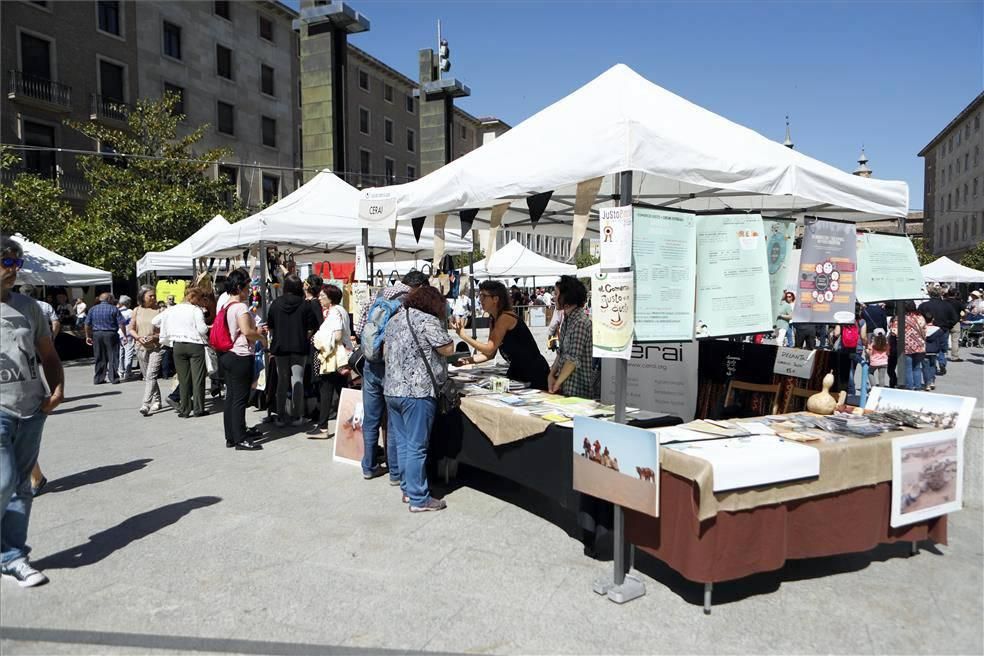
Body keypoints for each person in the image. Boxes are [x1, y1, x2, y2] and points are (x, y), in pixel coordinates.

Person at [1, 234, 64, 587]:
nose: (14, 270)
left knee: (22, 486)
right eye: (7, 262)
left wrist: (57, 388)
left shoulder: (30, 308)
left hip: (31, 406)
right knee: (4, 480)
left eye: (17, 263)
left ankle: (12, 556)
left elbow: (48, 355)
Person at [383, 285, 454, 512]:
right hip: (417, 392)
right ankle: (418, 498)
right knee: (417, 446)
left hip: (392, 389)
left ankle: (407, 489)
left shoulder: (395, 319)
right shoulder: (427, 320)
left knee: (404, 443)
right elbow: (447, 349)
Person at [355, 270, 429, 481]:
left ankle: (369, 466)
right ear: (420, 286)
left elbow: (360, 329)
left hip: (370, 364)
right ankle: (395, 473)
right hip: (394, 367)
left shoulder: (377, 296)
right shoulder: (409, 302)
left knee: (371, 419)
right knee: (395, 421)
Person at [452, 280, 550, 390]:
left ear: (496, 299)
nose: (480, 299)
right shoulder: (493, 319)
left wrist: (464, 336)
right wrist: (467, 360)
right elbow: (490, 355)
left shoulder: (505, 318)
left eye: (484, 296)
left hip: (534, 373)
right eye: (480, 295)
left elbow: (489, 348)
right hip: (517, 371)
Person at [217, 270, 265, 450]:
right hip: (241, 355)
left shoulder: (226, 306)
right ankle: (240, 438)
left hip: (228, 354)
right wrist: (261, 337)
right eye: (247, 286)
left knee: (230, 398)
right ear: (240, 287)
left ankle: (231, 436)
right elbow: (247, 332)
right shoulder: (241, 307)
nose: (250, 289)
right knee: (239, 399)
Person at [267, 274, 319, 427]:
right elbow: (311, 328)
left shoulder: (276, 304)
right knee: (298, 380)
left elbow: (270, 326)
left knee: (282, 381)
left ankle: (281, 416)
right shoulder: (305, 305)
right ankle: (298, 416)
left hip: (280, 347)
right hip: (299, 346)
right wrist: (303, 336)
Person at [310, 284, 351, 436]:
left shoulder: (334, 312)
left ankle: (323, 427)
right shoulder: (341, 310)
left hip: (334, 357)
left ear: (331, 298)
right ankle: (351, 424)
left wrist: (319, 338)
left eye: (323, 296)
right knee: (342, 391)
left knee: (326, 390)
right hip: (341, 356)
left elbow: (338, 335)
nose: (320, 298)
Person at [549, 276, 597, 398]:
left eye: (556, 293)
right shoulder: (567, 319)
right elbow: (561, 353)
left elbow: (573, 359)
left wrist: (557, 382)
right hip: (566, 388)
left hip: (578, 390)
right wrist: (551, 375)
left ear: (566, 296)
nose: (554, 297)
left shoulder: (580, 322)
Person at [166, 287, 210, 417]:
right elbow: (202, 329)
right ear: (194, 297)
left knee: (183, 379)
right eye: (201, 298)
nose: (202, 301)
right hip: (195, 345)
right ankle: (198, 409)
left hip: (178, 345)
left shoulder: (173, 309)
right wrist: (208, 328)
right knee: (198, 379)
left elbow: (156, 321)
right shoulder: (196, 310)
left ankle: (184, 409)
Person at [129, 287, 163, 416]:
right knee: (148, 376)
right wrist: (138, 337)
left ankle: (145, 404)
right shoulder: (136, 310)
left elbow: (164, 330)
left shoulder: (160, 310)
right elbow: (131, 329)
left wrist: (154, 337)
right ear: (142, 297)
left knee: (151, 375)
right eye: (150, 296)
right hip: (140, 347)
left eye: (154, 296)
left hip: (156, 347)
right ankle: (158, 400)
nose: (153, 298)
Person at [84, 292, 126, 385]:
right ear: (109, 299)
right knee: (113, 356)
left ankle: (99, 378)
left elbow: (87, 324)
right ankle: (113, 378)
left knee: (99, 356)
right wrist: (124, 335)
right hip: (111, 334)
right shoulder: (114, 309)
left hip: (97, 334)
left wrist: (88, 336)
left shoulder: (92, 309)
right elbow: (121, 323)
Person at [919, 286, 958, 375]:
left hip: (928, 329)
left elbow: (918, 318)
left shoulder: (924, 305)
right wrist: (948, 325)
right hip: (943, 329)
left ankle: (932, 365)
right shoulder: (947, 305)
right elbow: (955, 318)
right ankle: (942, 362)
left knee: (929, 348)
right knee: (941, 348)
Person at [890, 301, 927, 391]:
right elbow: (925, 330)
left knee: (908, 368)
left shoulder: (899, 319)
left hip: (905, 346)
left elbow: (894, 332)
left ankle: (910, 387)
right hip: (919, 345)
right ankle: (918, 387)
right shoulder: (920, 317)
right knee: (917, 367)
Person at [922, 311, 947, 391]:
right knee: (932, 366)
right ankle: (932, 381)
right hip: (934, 351)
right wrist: (944, 349)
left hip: (924, 351)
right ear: (933, 319)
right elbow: (943, 341)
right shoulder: (938, 330)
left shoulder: (922, 329)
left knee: (925, 367)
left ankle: (927, 384)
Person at [117, 295, 136, 381]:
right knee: (129, 353)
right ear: (128, 303)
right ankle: (128, 372)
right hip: (128, 335)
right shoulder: (130, 312)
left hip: (118, 334)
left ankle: (120, 371)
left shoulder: (116, 311)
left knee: (120, 354)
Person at [945, 289, 965, 360]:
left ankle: (942, 356)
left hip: (945, 322)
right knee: (955, 340)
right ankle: (954, 357)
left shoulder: (944, 302)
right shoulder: (958, 302)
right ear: (955, 294)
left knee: (944, 339)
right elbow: (965, 310)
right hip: (956, 322)